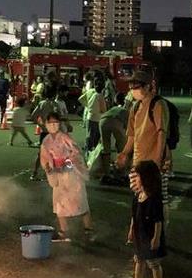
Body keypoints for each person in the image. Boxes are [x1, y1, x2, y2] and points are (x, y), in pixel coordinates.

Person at [116, 71, 171, 220]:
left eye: (136, 86)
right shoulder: (135, 107)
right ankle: (140, 231)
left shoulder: (158, 105)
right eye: (130, 86)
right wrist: (124, 153)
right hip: (138, 162)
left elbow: (161, 133)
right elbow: (132, 136)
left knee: (157, 200)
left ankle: (158, 235)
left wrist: (158, 161)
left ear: (147, 87)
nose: (132, 90)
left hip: (154, 163)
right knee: (139, 197)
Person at [39, 112, 95, 242]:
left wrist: (66, 163)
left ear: (59, 123)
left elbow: (75, 153)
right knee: (59, 203)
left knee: (79, 201)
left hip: (71, 174)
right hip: (58, 174)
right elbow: (44, 158)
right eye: (50, 123)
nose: (53, 125)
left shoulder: (65, 137)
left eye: (55, 122)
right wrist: (47, 166)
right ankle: (64, 231)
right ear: (46, 124)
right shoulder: (46, 141)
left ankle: (88, 228)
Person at [126, 160, 166, 278]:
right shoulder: (137, 197)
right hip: (139, 235)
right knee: (139, 260)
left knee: (154, 263)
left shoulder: (154, 199)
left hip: (150, 236)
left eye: (137, 176)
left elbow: (158, 221)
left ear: (146, 178)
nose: (134, 179)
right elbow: (133, 216)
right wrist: (131, 231)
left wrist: (156, 238)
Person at [95, 92, 128, 178]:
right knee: (122, 148)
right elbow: (127, 130)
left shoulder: (113, 108)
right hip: (116, 121)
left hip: (102, 121)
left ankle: (107, 174)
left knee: (105, 148)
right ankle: (121, 173)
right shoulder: (126, 111)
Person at [30, 86, 59, 181]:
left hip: (44, 131)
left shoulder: (42, 104)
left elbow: (33, 115)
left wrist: (41, 125)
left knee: (41, 154)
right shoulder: (55, 105)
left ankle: (34, 174)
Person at [79, 74, 107, 152]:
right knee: (96, 135)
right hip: (98, 118)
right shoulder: (100, 96)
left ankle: (87, 149)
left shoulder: (90, 91)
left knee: (89, 134)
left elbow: (80, 99)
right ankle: (92, 151)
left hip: (89, 116)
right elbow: (104, 110)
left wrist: (87, 106)